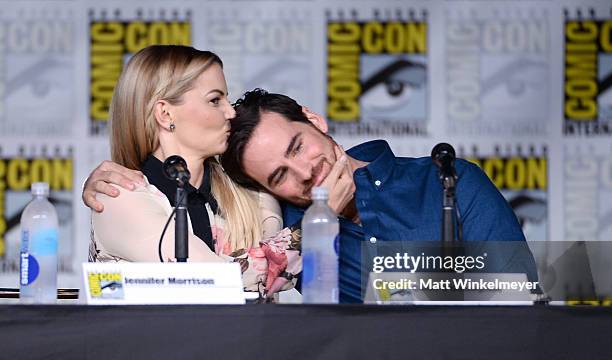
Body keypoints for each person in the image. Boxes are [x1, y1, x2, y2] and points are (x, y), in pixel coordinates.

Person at [84, 88, 531, 303]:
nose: (305, 171)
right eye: (280, 175)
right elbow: (198, 290)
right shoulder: (286, 236)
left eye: (298, 146)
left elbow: (520, 292)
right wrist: (121, 175)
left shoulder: (447, 181)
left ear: (315, 120)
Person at [88, 46, 302, 298]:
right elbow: (213, 283)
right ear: (165, 113)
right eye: (215, 100)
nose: (230, 112)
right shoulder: (117, 195)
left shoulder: (252, 194)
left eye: (226, 99)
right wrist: (316, 230)